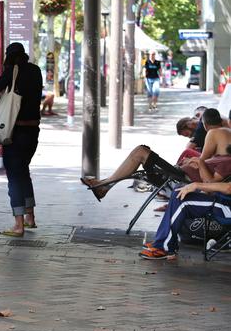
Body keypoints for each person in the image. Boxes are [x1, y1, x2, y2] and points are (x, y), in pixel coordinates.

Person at [81, 109, 231, 201]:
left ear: (204, 125)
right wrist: (195, 161)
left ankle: (104, 186)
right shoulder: (226, 134)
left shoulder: (214, 133)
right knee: (142, 150)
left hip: (183, 177)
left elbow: (204, 164)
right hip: (183, 173)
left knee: (141, 151)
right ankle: (104, 185)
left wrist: (197, 161)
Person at [0, 42, 43, 237]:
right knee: (23, 172)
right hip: (33, 131)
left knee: (14, 177)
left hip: (15, 132)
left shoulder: (12, 71)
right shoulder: (36, 71)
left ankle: (18, 224)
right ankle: (30, 218)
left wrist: (4, 95)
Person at [140, 180, 231, 260]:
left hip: (227, 208)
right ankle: (166, 244)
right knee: (179, 191)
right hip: (223, 200)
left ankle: (164, 248)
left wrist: (196, 185)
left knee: (183, 201)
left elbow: (229, 188)